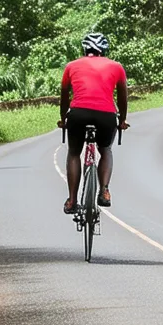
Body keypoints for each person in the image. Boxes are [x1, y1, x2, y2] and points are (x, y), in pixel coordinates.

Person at [58, 33, 129, 214]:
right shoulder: (117, 67)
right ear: (104, 50)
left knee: (74, 152)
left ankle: (72, 200)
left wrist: (64, 119)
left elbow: (64, 96)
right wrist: (122, 120)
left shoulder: (71, 66)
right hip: (106, 115)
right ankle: (104, 190)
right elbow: (122, 98)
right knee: (105, 150)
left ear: (85, 49)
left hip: (78, 114)